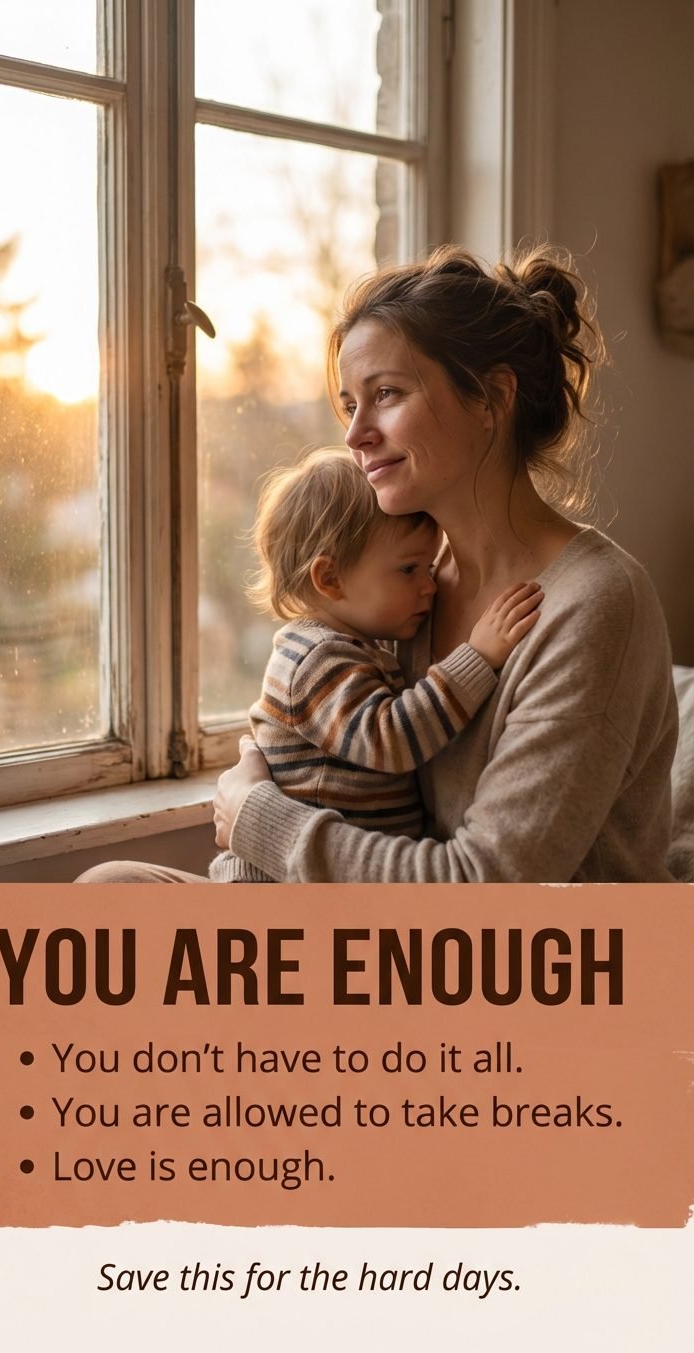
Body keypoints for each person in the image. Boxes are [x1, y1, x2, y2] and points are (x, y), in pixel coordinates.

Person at [77, 244, 678, 885]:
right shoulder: (407, 585)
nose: (354, 434)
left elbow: (485, 886)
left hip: (521, 942)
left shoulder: (594, 603)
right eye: (349, 405)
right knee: (108, 892)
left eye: (386, 393)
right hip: (378, 924)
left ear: (492, 398)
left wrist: (259, 817)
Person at [210, 448, 543, 882]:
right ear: (329, 579)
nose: (430, 585)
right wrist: (476, 659)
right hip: (275, 883)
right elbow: (391, 741)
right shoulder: (316, 660)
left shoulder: (354, 647)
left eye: (429, 566)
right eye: (409, 569)